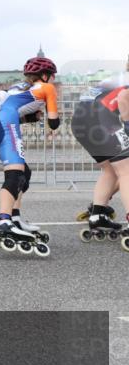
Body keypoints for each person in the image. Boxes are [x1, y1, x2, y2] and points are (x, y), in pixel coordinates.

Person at [0, 56, 59, 255]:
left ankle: (14, 217)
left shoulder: (19, 87)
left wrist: (30, 116)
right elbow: (54, 122)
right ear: (45, 75)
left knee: (24, 173)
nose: (54, 79)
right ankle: (5, 221)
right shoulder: (47, 87)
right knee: (15, 174)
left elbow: (13, 108)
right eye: (53, 76)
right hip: (4, 122)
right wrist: (48, 115)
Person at [71, 57, 129, 247]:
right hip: (101, 121)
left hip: (80, 121)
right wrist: (127, 126)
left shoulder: (119, 77)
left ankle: (98, 215)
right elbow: (124, 98)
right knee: (126, 170)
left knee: (110, 170)